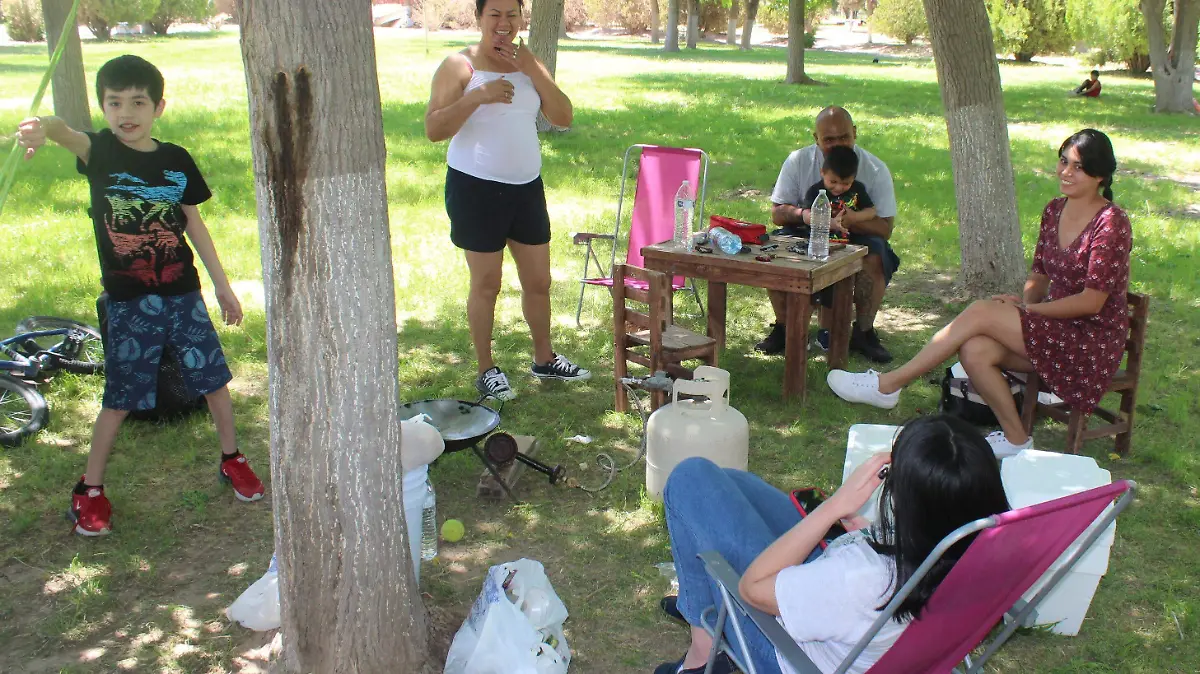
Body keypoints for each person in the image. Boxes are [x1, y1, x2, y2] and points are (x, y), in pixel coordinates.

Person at [15, 55, 264, 537]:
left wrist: (221, 283)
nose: (125, 112)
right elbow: (64, 130)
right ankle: (89, 489)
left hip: (183, 292)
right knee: (122, 396)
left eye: (137, 102)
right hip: (131, 301)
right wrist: (41, 127)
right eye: (114, 103)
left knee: (213, 379)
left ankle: (232, 458)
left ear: (158, 107)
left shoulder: (176, 160)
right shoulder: (100, 151)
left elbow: (192, 221)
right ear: (103, 107)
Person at [828, 129, 1130, 458]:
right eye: (1062, 162)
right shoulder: (1055, 209)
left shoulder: (1111, 222)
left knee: (983, 311)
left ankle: (889, 385)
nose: (1065, 172)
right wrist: (1026, 304)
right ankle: (1016, 438)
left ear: (1100, 174)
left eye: (1078, 167)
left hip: (1089, 341)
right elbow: (1039, 274)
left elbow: (1092, 301)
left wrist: (1031, 314)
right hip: (1055, 329)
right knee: (974, 349)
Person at [656, 415, 1011, 674]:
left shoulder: (863, 576)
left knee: (691, 479)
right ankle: (701, 616)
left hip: (789, 655)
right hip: (852, 613)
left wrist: (833, 508)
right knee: (730, 483)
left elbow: (752, 589)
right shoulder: (979, 551)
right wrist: (873, 532)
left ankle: (703, 656)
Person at [424, 0, 590, 402]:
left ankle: (544, 357)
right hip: (476, 188)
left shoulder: (529, 63)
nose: (503, 23)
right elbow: (433, 128)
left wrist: (533, 68)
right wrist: (476, 96)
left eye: (511, 14)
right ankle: (486, 369)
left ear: (521, 17)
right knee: (487, 284)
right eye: (494, 14)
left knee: (538, 282)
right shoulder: (458, 66)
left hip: (526, 187)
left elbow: (563, 116)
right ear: (479, 17)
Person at [758, 107, 900, 363]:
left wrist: (850, 221)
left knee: (875, 257)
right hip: (805, 229)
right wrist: (806, 216)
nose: (836, 145)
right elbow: (777, 213)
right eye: (829, 140)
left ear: (855, 133)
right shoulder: (798, 161)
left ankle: (864, 332)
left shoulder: (875, 169)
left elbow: (885, 228)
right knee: (775, 250)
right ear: (816, 138)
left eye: (843, 137)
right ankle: (785, 327)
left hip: (856, 234)